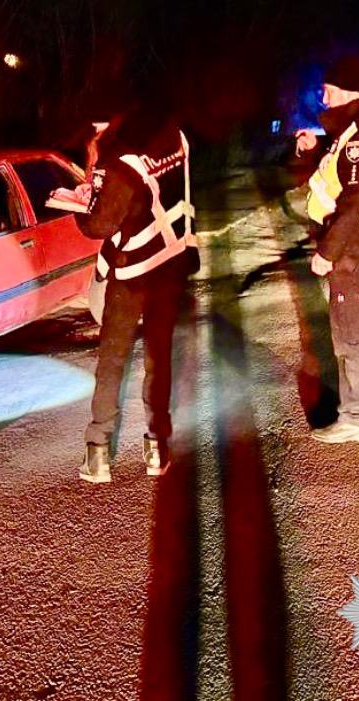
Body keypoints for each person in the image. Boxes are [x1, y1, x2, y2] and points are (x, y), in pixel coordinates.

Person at [73, 97, 199, 483]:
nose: (95, 136)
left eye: (97, 129)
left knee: (112, 360)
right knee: (158, 358)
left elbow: (99, 225)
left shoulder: (121, 164)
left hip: (133, 273)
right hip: (171, 264)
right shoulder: (175, 139)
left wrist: (81, 204)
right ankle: (156, 450)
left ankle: (98, 454)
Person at [295, 54, 359, 444]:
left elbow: (357, 199)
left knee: (351, 333)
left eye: (326, 92)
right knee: (357, 328)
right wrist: (317, 143)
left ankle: (357, 417)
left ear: (340, 91)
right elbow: (345, 165)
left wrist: (327, 251)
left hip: (353, 248)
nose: (323, 100)